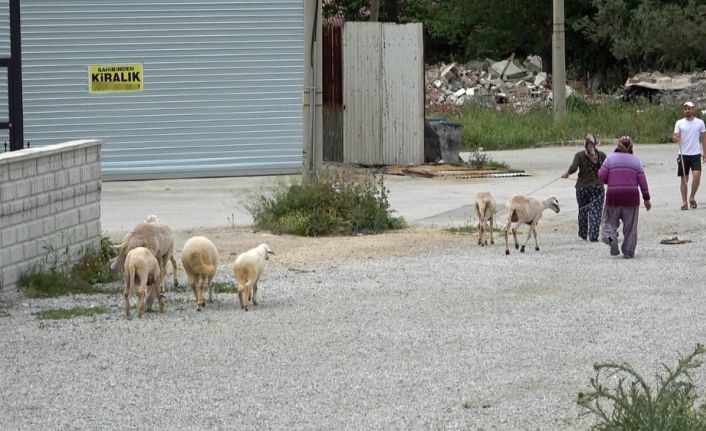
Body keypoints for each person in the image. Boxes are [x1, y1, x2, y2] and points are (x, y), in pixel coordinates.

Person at [598, 136, 651, 258]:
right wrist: (646, 199)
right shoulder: (636, 161)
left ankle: (611, 238)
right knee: (630, 227)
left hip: (613, 197)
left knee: (608, 222)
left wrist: (609, 180)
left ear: (618, 145)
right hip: (631, 198)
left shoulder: (609, 159)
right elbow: (643, 182)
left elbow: (601, 176)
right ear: (631, 146)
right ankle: (628, 251)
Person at [561, 133, 607, 241]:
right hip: (597, 187)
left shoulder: (579, 155)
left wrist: (567, 173)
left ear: (584, 144)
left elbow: (573, 168)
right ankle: (593, 235)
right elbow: (607, 168)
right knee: (595, 211)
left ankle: (583, 233)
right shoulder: (602, 155)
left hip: (582, 187)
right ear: (595, 143)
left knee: (583, 210)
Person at [672, 101, 706, 210]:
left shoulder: (700, 123)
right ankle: (684, 202)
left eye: (689, 108)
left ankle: (692, 197)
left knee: (697, 177)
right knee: (684, 180)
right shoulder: (679, 123)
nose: (687, 111)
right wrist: (676, 138)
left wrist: (705, 152)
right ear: (683, 110)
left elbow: (704, 138)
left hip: (695, 153)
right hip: (683, 154)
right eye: (685, 109)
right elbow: (675, 136)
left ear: (693, 109)